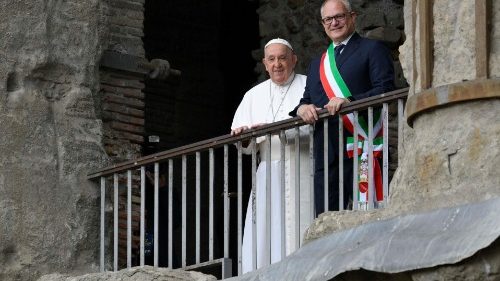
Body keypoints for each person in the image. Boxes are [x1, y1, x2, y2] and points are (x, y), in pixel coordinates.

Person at [290, 0, 395, 215]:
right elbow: (307, 98)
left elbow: (385, 90)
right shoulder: (317, 63)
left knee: (367, 218)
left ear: (352, 17)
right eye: (328, 19)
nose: (334, 23)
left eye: (339, 16)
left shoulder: (372, 49)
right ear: (323, 24)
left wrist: (350, 100)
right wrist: (301, 109)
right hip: (327, 153)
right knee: (327, 222)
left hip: (361, 147)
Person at [231, 38, 311, 273]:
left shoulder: (309, 85)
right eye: (272, 59)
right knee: (264, 232)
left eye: (283, 58)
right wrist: (245, 136)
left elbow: (314, 127)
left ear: (293, 59)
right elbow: (242, 143)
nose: (277, 64)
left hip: (302, 165)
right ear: (265, 64)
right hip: (267, 171)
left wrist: (276, 129)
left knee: (300, 226)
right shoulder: (253, 95)